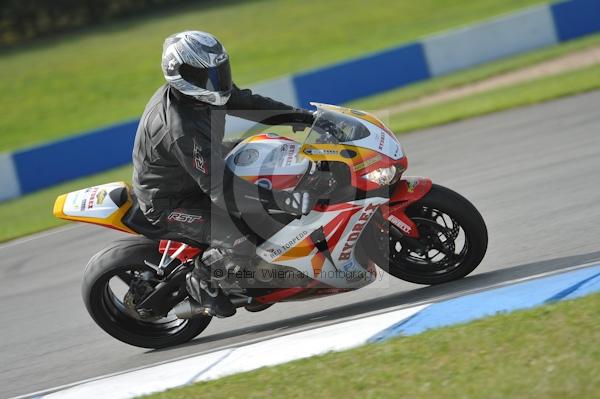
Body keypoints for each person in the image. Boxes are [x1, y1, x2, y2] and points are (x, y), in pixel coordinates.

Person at [132, 31, 316, 317]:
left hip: (198, 168)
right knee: (240, 232)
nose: (215, 80)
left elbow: (245, 101)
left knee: (270, 152)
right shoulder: (181, 128)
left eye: (217, 72)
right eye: (206, 74)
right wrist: (279, 200)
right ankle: (203, 277)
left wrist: (300, 117)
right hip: (172, 201)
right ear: (179, 74)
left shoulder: (201, 94)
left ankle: (262, 274)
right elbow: (218, 187)